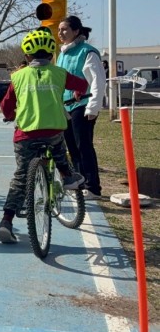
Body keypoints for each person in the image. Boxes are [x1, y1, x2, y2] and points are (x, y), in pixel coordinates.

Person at [0, 28, 88, 244]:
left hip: (25, 134)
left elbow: (6, 106)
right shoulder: (59, 73)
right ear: (51, 54)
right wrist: (78, 93)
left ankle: (6, 221)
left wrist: (10, 115)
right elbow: (82, 84)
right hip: (53, 130)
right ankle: (67, 177)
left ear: (27, 56)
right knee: (59, 150)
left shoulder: (17, 76)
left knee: (20, 177)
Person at [57, 15, 106, 198]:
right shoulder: (62, 53)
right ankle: (80, 182)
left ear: (76, 31)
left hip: (82, 105)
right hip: (66, 106)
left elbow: (98, 81)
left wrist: (93, 107)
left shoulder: (87, 52)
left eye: (64, 29)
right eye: (59, 29)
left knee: (83, 145)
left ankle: (93, 187)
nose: (60, 33)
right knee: (72, 147)